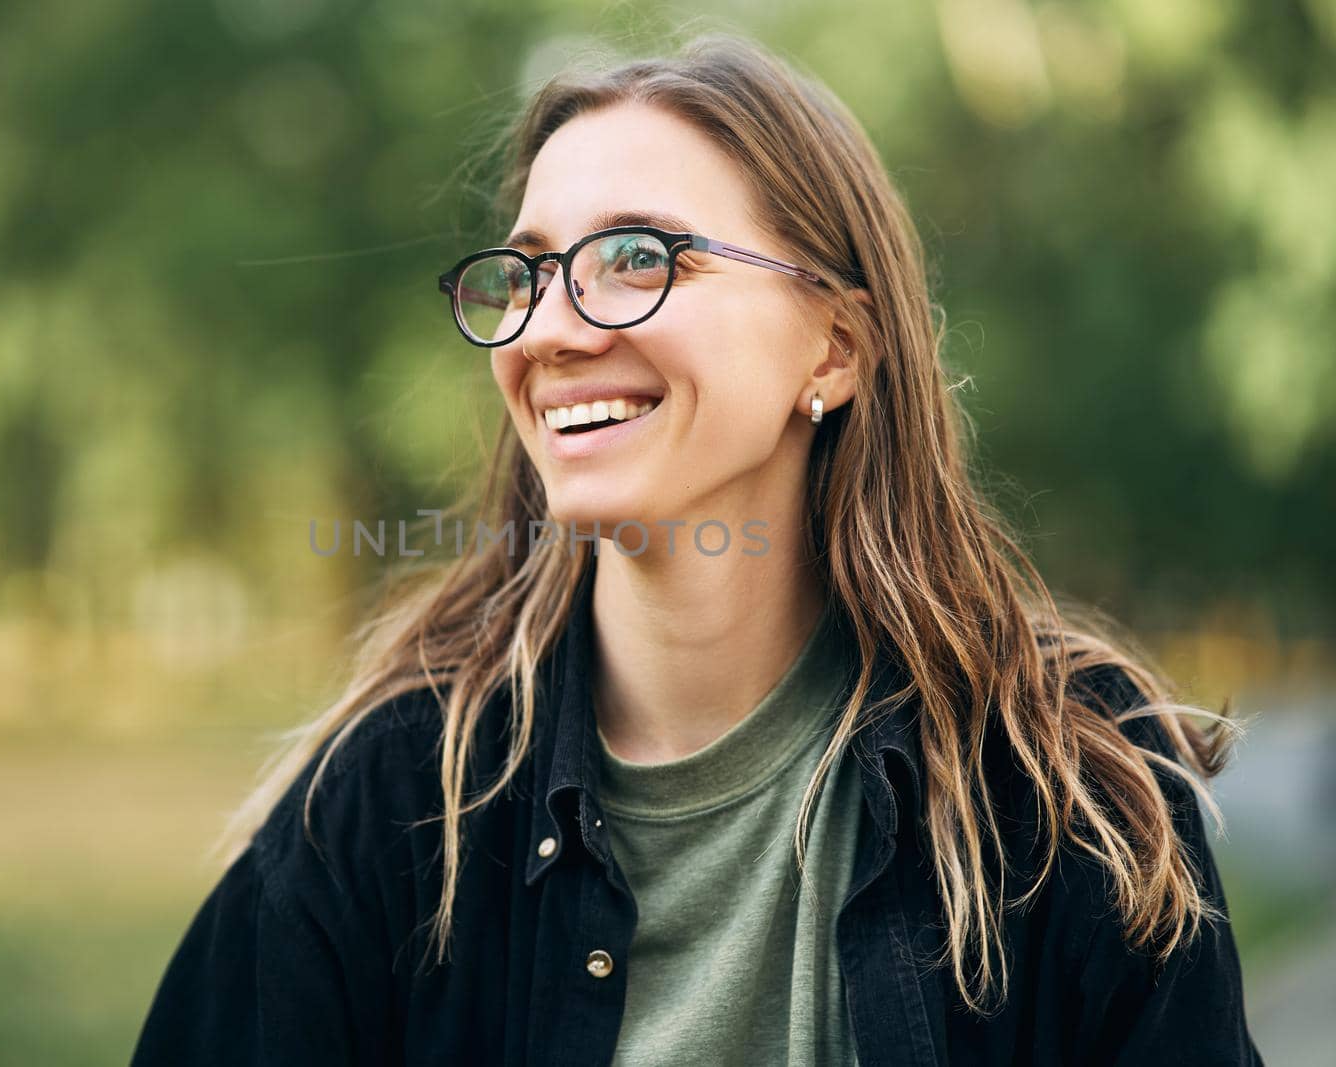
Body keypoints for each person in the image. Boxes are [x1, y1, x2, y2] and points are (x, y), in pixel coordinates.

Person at [131, 32, 1264, 1066]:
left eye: (637, 257)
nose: (552, 329)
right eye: (526, 272)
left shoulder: (1062, 790)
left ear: (833, 347)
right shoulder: (388, 807)